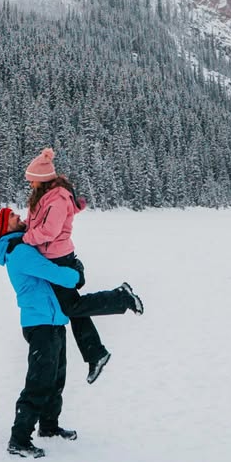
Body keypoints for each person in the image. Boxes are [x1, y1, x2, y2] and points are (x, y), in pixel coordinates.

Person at [0, 206, 141, 458]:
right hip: (40, 324)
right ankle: (18, 439)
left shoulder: (22, 247)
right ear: (4, 228)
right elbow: (54, 274)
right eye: (13, 217)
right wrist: (76, 273)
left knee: (55, 379)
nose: (19, 217)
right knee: (39, 382)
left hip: (53, 320)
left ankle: (49, 428)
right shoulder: (19, 252)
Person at [22, 147, 144, 384]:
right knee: (74, 308)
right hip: (51, 257)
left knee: (72, 307)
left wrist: (26, 239)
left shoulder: (56, 199)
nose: (30, 185)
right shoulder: (44, 198)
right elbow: (35, 222)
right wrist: (24, 232)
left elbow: (50, 230)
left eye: (32, 181)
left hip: (58, 257)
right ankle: (95, 353)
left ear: (42, 181)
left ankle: (120, 297)